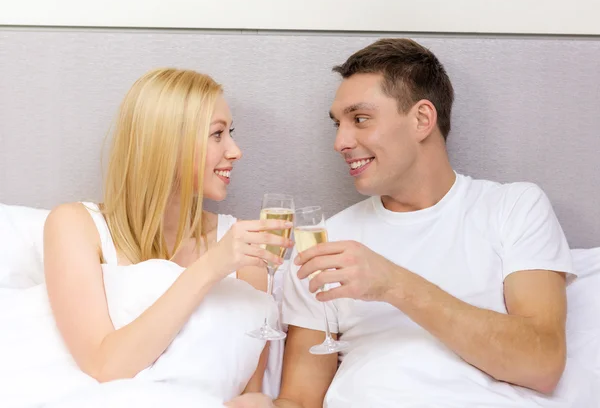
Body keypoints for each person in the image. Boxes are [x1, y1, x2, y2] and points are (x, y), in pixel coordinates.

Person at [276, 39, 574, 407]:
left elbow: (542, 363)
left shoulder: (512, 208)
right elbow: (301, 399)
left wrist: (393, 284)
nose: (340, 141)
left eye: (360, 119)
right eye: (338, 124)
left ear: (421, 119)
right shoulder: (325, 241)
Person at [43, 68, 292, 405]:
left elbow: (247, 386)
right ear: (168, 143)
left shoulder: (242, 247)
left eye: (229, 133)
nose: (235, 151)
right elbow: (105, 366)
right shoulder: (75, 225)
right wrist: (210, 267)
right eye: (217, 134)